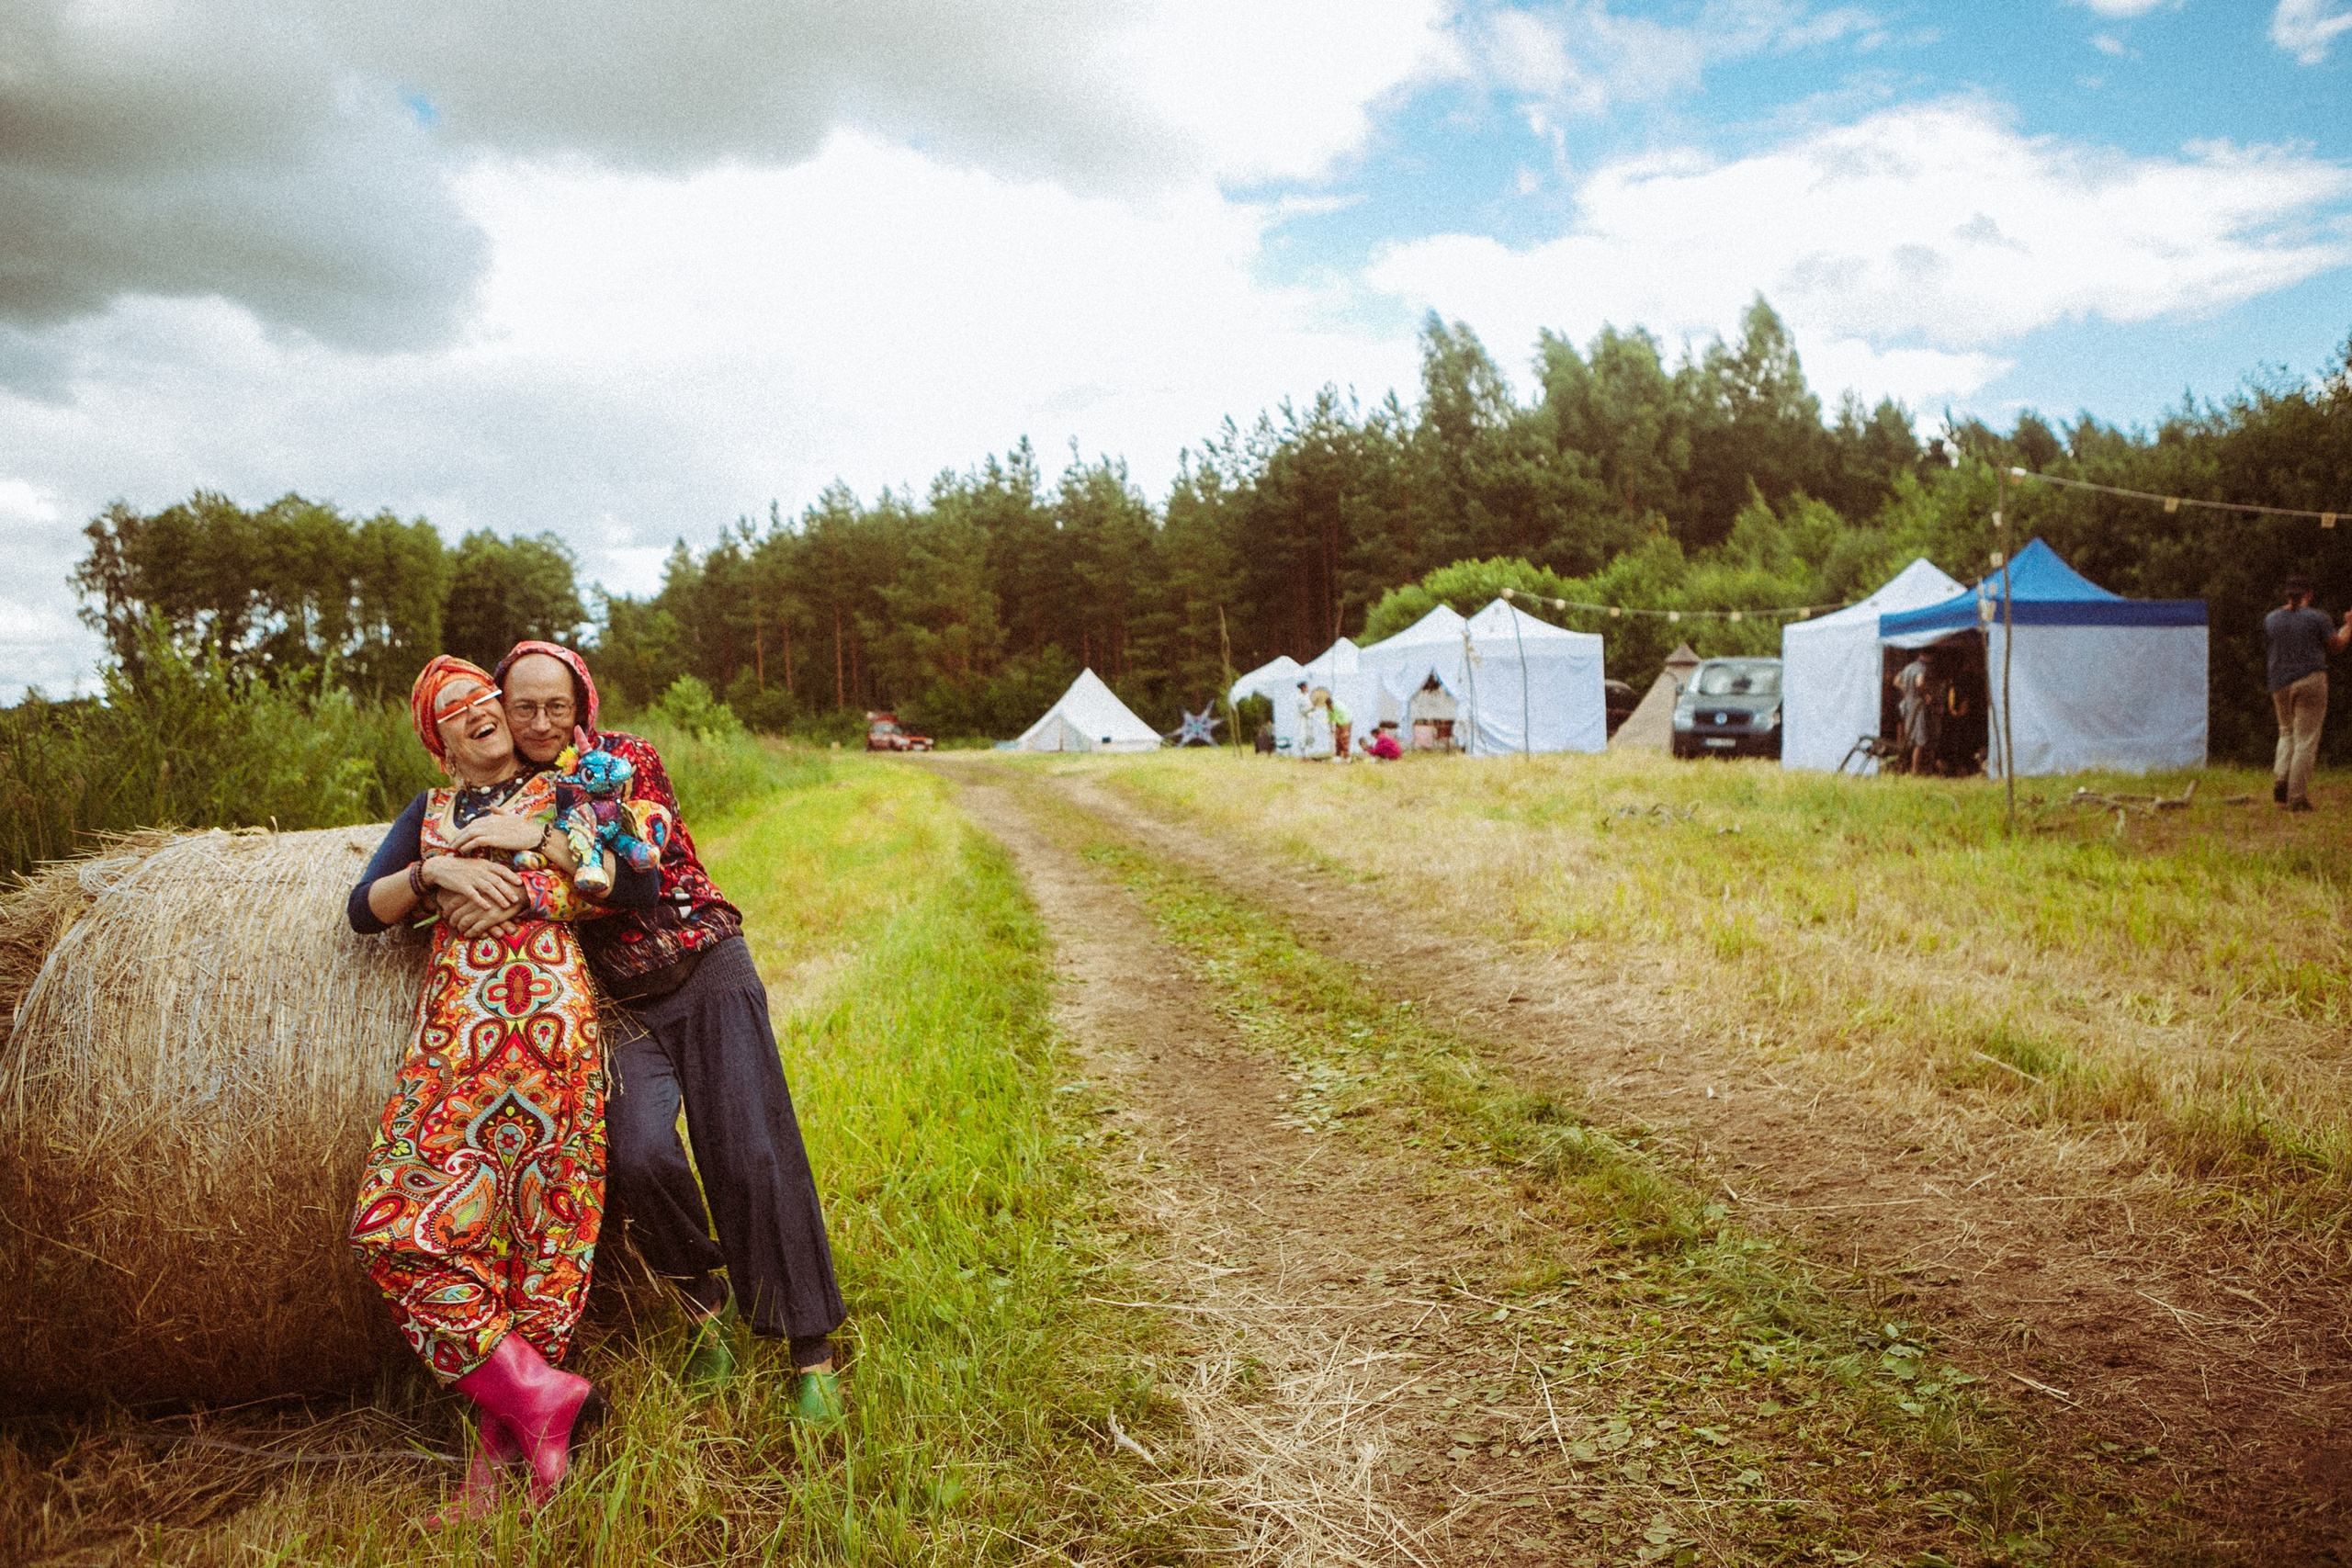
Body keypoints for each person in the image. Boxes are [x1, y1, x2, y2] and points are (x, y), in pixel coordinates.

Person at [493, 641, 846, 1417]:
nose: (543, 720)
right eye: (525, 707)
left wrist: (547, 849)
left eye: (558, 704)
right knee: (638, 1152)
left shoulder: (626, 759)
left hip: (703, 960)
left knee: (752, 1151)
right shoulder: (503, 797)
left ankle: (810, 1348)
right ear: (504, 710)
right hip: (618, 1001)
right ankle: (702, 1303)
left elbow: (640, 882)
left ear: (582, 702)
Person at [345, 657, 622, 1524]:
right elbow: (362, 908)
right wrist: (436, 878)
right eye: (453, 710)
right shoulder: (424, 816)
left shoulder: (562, 789)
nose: (479, 713)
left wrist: (515, 868)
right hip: (454, 1051)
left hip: (550, 1039)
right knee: (395, 1220)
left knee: (540, 1242)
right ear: (441, 746)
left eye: (482, 698)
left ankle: (496, 1467)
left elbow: (606, 878)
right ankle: (547, 1398)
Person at [2265, 577, 2352, 811]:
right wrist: (2349, 625)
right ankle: (2297, 797)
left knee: (2286, 733)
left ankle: (2281, 778)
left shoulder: (2270, 619)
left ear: (2286, 594)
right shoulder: (2318, 618)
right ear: (2309, 594)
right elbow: (2337, 645)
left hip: (2279, 683)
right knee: (2306, 739)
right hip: (2310, 681)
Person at [1894, 652, 1932, 775]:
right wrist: (1925, 693)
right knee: (1919, 739)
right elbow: (1919, 682)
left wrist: (1906, 691)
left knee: (1908, 737)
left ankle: (1902, 766)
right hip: (1916, 706)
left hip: (1906, 705)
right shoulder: (1922, 668)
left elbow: (1896, 681)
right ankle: (1914, 770)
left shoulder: (1908, 667)